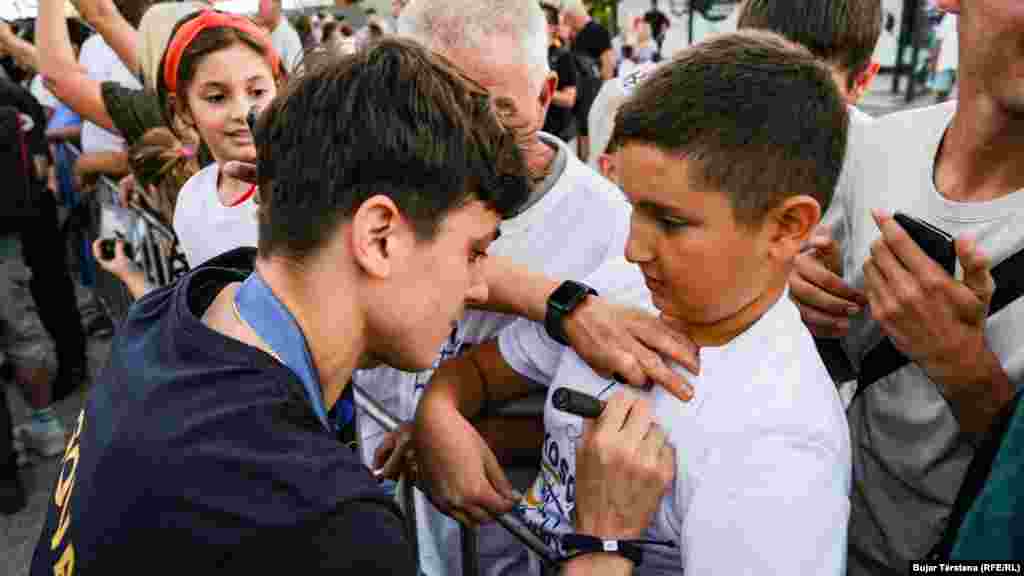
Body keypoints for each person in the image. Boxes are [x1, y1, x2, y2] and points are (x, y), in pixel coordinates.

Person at [29, 37, 674, 575]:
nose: (479, 288)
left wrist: (562, 305)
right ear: (378, 236)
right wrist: (603, 545)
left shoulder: (188, 308)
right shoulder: (317, 522)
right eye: (474, 252)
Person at [788, 0, 1024, 572]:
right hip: (827, 541)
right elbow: (829, 361)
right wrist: (797, 295)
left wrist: (965, 371)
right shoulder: (875, 147)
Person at [737, 0, 883, 391]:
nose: (779, 110)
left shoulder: (884, 168)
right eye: (760, 82)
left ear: (861, 82)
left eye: (811, 90)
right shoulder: (705, 139)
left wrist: (838, 301)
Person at [157, 10, 282, 268]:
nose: (242, 112)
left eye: (257, 92)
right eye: (216, 97)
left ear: (278, 88)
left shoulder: (313, 184)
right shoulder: (191, 199)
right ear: (182, 108)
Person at [0, 79, 63, 467]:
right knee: (22, 329)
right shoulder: (12, 102)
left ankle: (27, 434)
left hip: (6, 234)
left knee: (21, 331)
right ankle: (44, 424)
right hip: (8, 234)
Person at [563, 0, 614, 162]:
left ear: (574, 16)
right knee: (582, 130)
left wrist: (606, 91)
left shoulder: (598, 31)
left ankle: (588, 165)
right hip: (581, 89)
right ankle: (583, 162)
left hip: (592, 89)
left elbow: (608, 64)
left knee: (588, 131)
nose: (567, 23)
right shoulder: (576, 34)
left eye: (568, 19)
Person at [541, 2, 577, 144]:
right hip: (532, 134)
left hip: (556, 138)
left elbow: (569, 99)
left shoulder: (563, 56)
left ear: (553, 28)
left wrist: (540, 90)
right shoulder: (528, 53)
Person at [257, 0, 304, 73]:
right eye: (260, 6)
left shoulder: (288, 36)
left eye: (263, 4)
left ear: (277, 5)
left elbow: (295, 75)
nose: (259, 11)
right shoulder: (268, 33)